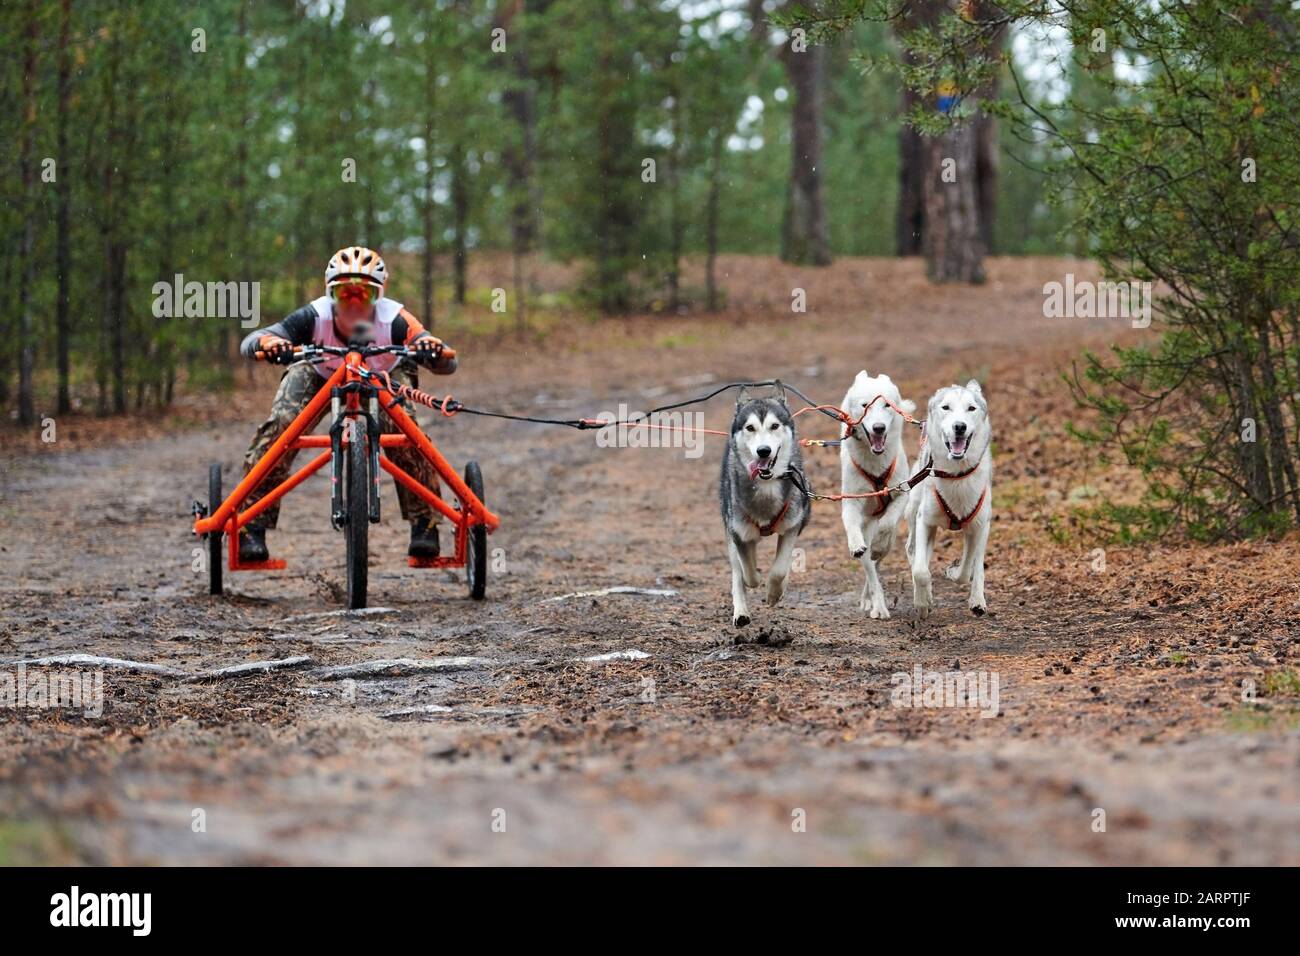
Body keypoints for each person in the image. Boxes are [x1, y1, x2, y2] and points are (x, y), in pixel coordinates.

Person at [236, 246, 456, 562]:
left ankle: (426, 522)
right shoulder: (313, 316)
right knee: (282, 425)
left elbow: (445, 358)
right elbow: (255, 340)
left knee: (407, 435)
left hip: (383, 373)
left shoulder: (395, 319)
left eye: (363, 294)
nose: (353, 304)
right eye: (343, 294)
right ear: (329, 294)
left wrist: (430, 348)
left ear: (379, 296)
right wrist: (270, 344)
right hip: (318, 370)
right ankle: (251, 524)